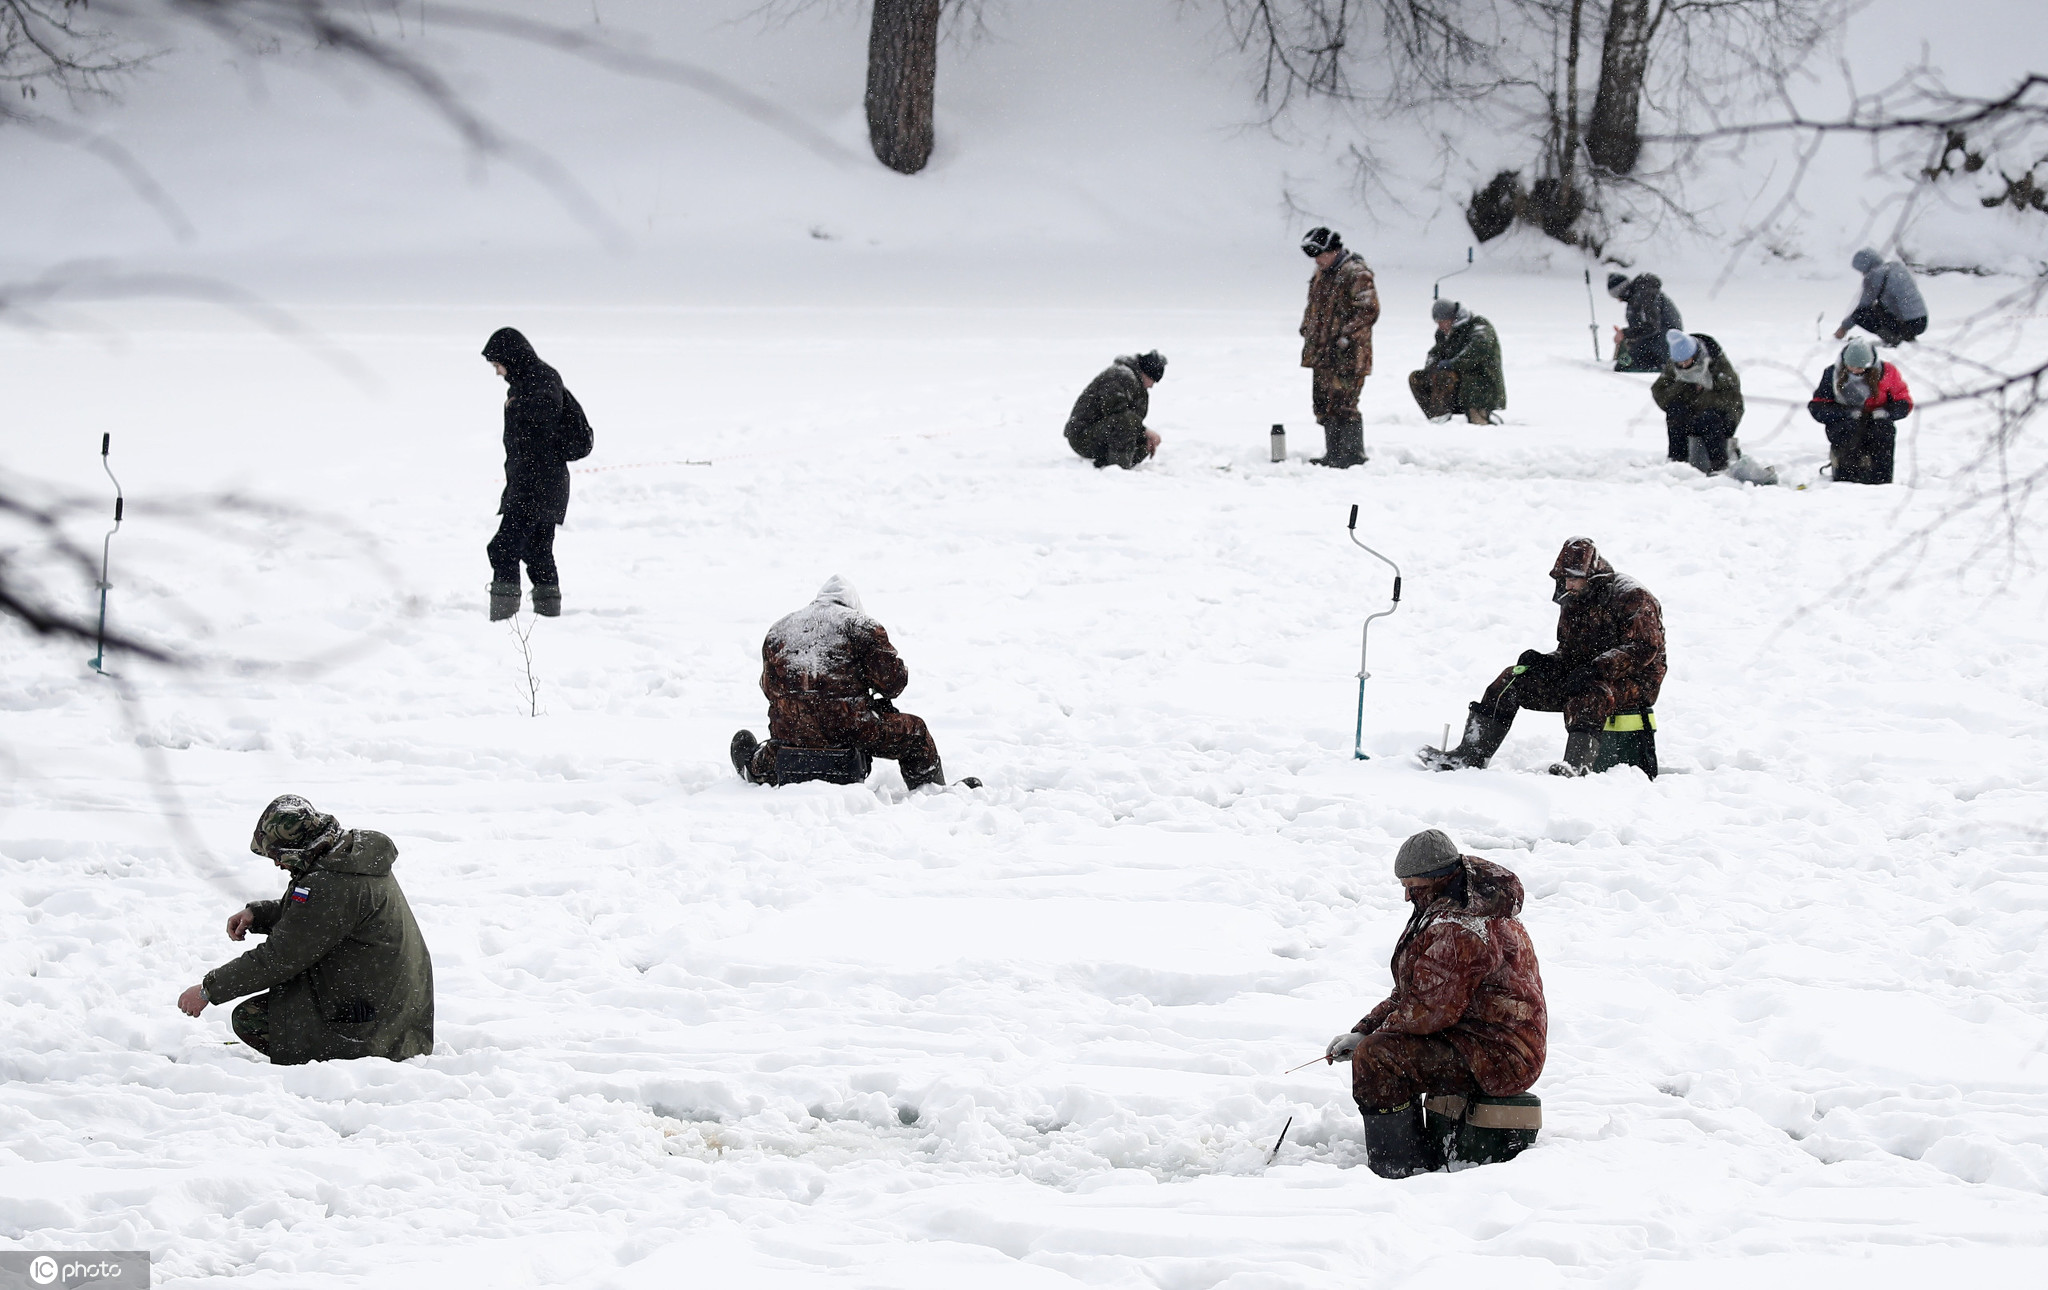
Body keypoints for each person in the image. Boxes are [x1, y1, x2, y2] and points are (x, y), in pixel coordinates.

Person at [1325, 829, 1546, 1179]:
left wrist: (1369, 1041)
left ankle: (1400, 1168)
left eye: (1412, 886)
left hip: (1501, 1055)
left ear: (1437, 879)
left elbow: (1428, 1012)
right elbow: (1415, 992)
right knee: (1379, 1046)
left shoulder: (1459, 928)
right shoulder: (1452, 906)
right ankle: (1418, 1148)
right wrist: (1364, 1029)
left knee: (1379, 1059)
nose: (1407, 895)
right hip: (1479, 1039)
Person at [178, 796, 435, 1065]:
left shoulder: (332, 882)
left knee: (252, 1018)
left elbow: (277, 958)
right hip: (398, 1014)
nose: (278, 864)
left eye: (280, 856)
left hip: (377, 1028)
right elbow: (317, 917)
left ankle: (347, 1059)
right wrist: (260, 914)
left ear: (299, 848)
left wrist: (209, 989)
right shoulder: (346, 857)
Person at [1421, 537, 1666, 776]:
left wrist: (1596, 669)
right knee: (1511, 680)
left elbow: (1643, 648)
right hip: (1586, 673)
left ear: (1592, 576)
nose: (1569, 584)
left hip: (1636, 681)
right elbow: (1570, 651)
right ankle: (1469, 756)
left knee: (1591, 693)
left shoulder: (1632, 597)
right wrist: (1546, 662)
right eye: (1565, 577)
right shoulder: (1573, 599)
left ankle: (1576, 767)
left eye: (1575, 578)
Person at [731, 576, 960, 791]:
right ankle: (932, 792)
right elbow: (893, 684)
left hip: (791, 735)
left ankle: (754, 769)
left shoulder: (779, 629)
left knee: (778, 744)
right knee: (915, 733)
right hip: (852, 730)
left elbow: (769, 689)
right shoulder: (861, 626)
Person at [483, 327, 591, 621]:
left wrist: (517, 407)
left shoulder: (540, 380)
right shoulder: (531, 381)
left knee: (503, 548)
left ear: (511, 358)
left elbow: (544, 418)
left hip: (537, 484)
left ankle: (504, 623)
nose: (497, 372)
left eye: (497, 364)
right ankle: (548, 622)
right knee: (537, 551)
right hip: (541, 483)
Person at [1298, 226, 1380, 468]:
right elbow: (1314, 307)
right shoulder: (1322, 273)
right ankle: (1333, 454)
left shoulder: (1356, 273)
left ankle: (1352, 455)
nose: (1317, 260)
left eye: (1320, 255)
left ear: (1333, 250)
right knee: (1324, 403)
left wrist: (1346, 336)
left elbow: (1368, 310)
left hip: (1349, 354)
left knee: (1345, 403)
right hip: (1322, 353)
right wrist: (1307, 330)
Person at [1808, 339, 1913, 485]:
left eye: (1860, 368)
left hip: (1876, 422)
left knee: (1883, 431)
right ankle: (1845, 478)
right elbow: (1818, 407)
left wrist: (1886, 413)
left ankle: (1881, 480)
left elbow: (1904, 402)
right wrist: (1845, 413)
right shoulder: (1832, 374)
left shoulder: (1887, 372)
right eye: (1851, 366)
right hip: (1844, 423)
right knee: (1848, 431)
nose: (1855, 371)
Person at [1652, 330, 1744, 473]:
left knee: (1709, 417)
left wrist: (1702, 396)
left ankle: (1719, 465)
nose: (1683, 366)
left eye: (1686, 361)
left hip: (1720, 418)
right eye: (1679, 363)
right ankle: (1677, 462)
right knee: (1675, 411)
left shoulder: (1718, 364)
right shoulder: (1675, 367)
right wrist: (1683, 385)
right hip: (1690, 415)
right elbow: (1660, 393)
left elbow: (1732, 399)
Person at [1408, 299, 1505, 425]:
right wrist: (1432, 367)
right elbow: (1435, 353)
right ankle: (1438, 418)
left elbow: (1475, 353)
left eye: (1442, 322)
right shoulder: (1444, 333)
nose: (1440, 326)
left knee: (1479, 425)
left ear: (1452, 318)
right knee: (1418, 378)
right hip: (1455, 384)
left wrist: (1451, 364)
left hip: (1480, 385)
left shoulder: (1479, 326)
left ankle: (1483, 417)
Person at [1064, 351, 1165, 469]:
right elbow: (1116, 411)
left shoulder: (1136, 384)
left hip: (1102, 432)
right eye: (1153, 380)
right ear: (1146, 373)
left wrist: (1144, 436)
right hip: (1081, 438)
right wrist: (1145, 430)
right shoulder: (1119, 376)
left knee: (1144, 441)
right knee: (1125, 423)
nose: (1152, 385)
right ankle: (1118, 471)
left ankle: (1108, 464)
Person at [1835, 247, 1928, 347]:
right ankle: (1903, 335)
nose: (1862, 274)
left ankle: (1894, 338)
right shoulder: (1897, 267)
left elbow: (1863, 306)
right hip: (1921, 321)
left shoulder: (1874, 275)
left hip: (1907, 325)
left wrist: (1844, 327)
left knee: (1860, 315)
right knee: (1878, 306)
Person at [1607, 271, 1684, 372]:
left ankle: (1663, 365)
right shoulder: (1637, 297)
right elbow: (1642, 328)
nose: (1618, 299)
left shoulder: (1646, 295)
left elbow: (1652, 327)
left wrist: (1625, 333)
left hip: (1664, 341)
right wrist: (1629, 338)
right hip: (1655, 340)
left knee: (1623, 365)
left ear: (1622, 289)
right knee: (1623, 362)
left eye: (1615, 294)